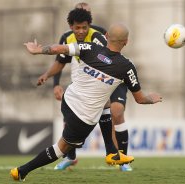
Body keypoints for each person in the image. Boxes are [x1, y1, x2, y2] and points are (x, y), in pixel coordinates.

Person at [10, 22, 162, 181]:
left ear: (106, 37)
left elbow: (58, 49)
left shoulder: (89, 47)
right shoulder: (127, 67)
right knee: (61, 148)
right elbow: (140, 99)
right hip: (82, 118)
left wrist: (38, 50)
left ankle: (111, 152)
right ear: (126, 42)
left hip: (67, 101)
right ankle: (21, 171)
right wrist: (152, 98)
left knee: (106, 103)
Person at [53, 2, 132, 171]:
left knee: (115, 111)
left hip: (108, 80)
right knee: (69, 120)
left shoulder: (100, 35)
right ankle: (71, 157)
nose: (81, 29)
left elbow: (113, 56)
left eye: (85, 21)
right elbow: (60, 61)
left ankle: (120, 158)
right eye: (78, 24)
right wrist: (54, 82)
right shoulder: (68, 36)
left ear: (89, 19)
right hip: (86, 85)